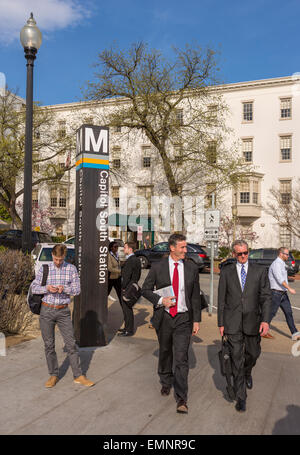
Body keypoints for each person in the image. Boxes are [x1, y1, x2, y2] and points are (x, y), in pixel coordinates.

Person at [142, 233, 201, 414]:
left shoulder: (191, 268)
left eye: (185, 247)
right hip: (165, 317)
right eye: (182, 247)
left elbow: (195, 296)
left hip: (184, 318)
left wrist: (196, 319)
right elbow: (145, 289)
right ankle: (166, 381)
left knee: (181, 357)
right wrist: (161, 301)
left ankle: (182, 398)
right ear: (172, 248)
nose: (185, 250)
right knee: (166, 351)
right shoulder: (158, 267)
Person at [218, 239, 271, 412]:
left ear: (249, 252)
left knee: (253, 354)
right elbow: (221, 299)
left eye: (245, 253)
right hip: (232, 322)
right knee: (236, 359)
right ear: (233, 254)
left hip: (252, 322)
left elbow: (266, 297)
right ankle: (241, 397)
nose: (242, 256)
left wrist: (265, 320)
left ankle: (248, 372)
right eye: (239, 253)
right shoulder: (226, 272)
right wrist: (221, 322)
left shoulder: (260, 271)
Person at [31, 244, 94, 388]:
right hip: (46, 310)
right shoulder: (45, 268)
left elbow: (77, 290)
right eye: (55, 259)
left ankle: (78, 376)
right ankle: (53, 374)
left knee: (71, 344)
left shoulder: (71, 269)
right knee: (49, 345)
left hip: (63, 311)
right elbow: (34, 287)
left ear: (64, 257)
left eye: (60, 259)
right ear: (52, 255)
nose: (58, 262)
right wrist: (46, 288)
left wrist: (64, 288)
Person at [267, 247, 300, 341]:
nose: (288, 256)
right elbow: (279, 279)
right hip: (275, 293)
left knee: (289, 313)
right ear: (281, 254)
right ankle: (262, 331)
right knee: (271, 313)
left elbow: (283, 277)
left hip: (282, 293)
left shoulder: (282, 263)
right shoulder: (276, 264)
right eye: (287, 254)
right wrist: (290, 288)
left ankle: (294, 333)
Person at [118, 241, 141, 337]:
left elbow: (126, 276)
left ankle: (129, 330)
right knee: (127, 309)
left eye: (125, 247)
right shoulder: (136, 259)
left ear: (130, 249)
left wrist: (123, 288)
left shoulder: (131, 260)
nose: (124, 249)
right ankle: (127, 328)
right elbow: (138, 275)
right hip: (131, 286)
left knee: (127, 309)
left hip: (127, 288)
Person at [108, 241, 122, 307]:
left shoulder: (116, 254)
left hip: (118, 278)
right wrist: (120, 271)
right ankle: (101, 309)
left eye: (117, 247)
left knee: (121, 295)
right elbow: (110, 268)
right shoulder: (109, 255)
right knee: (105, 295)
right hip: (110, 279)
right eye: (115, 247)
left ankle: (126, 313)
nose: (117, 248)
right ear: (111, 248)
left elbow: (118, 264)